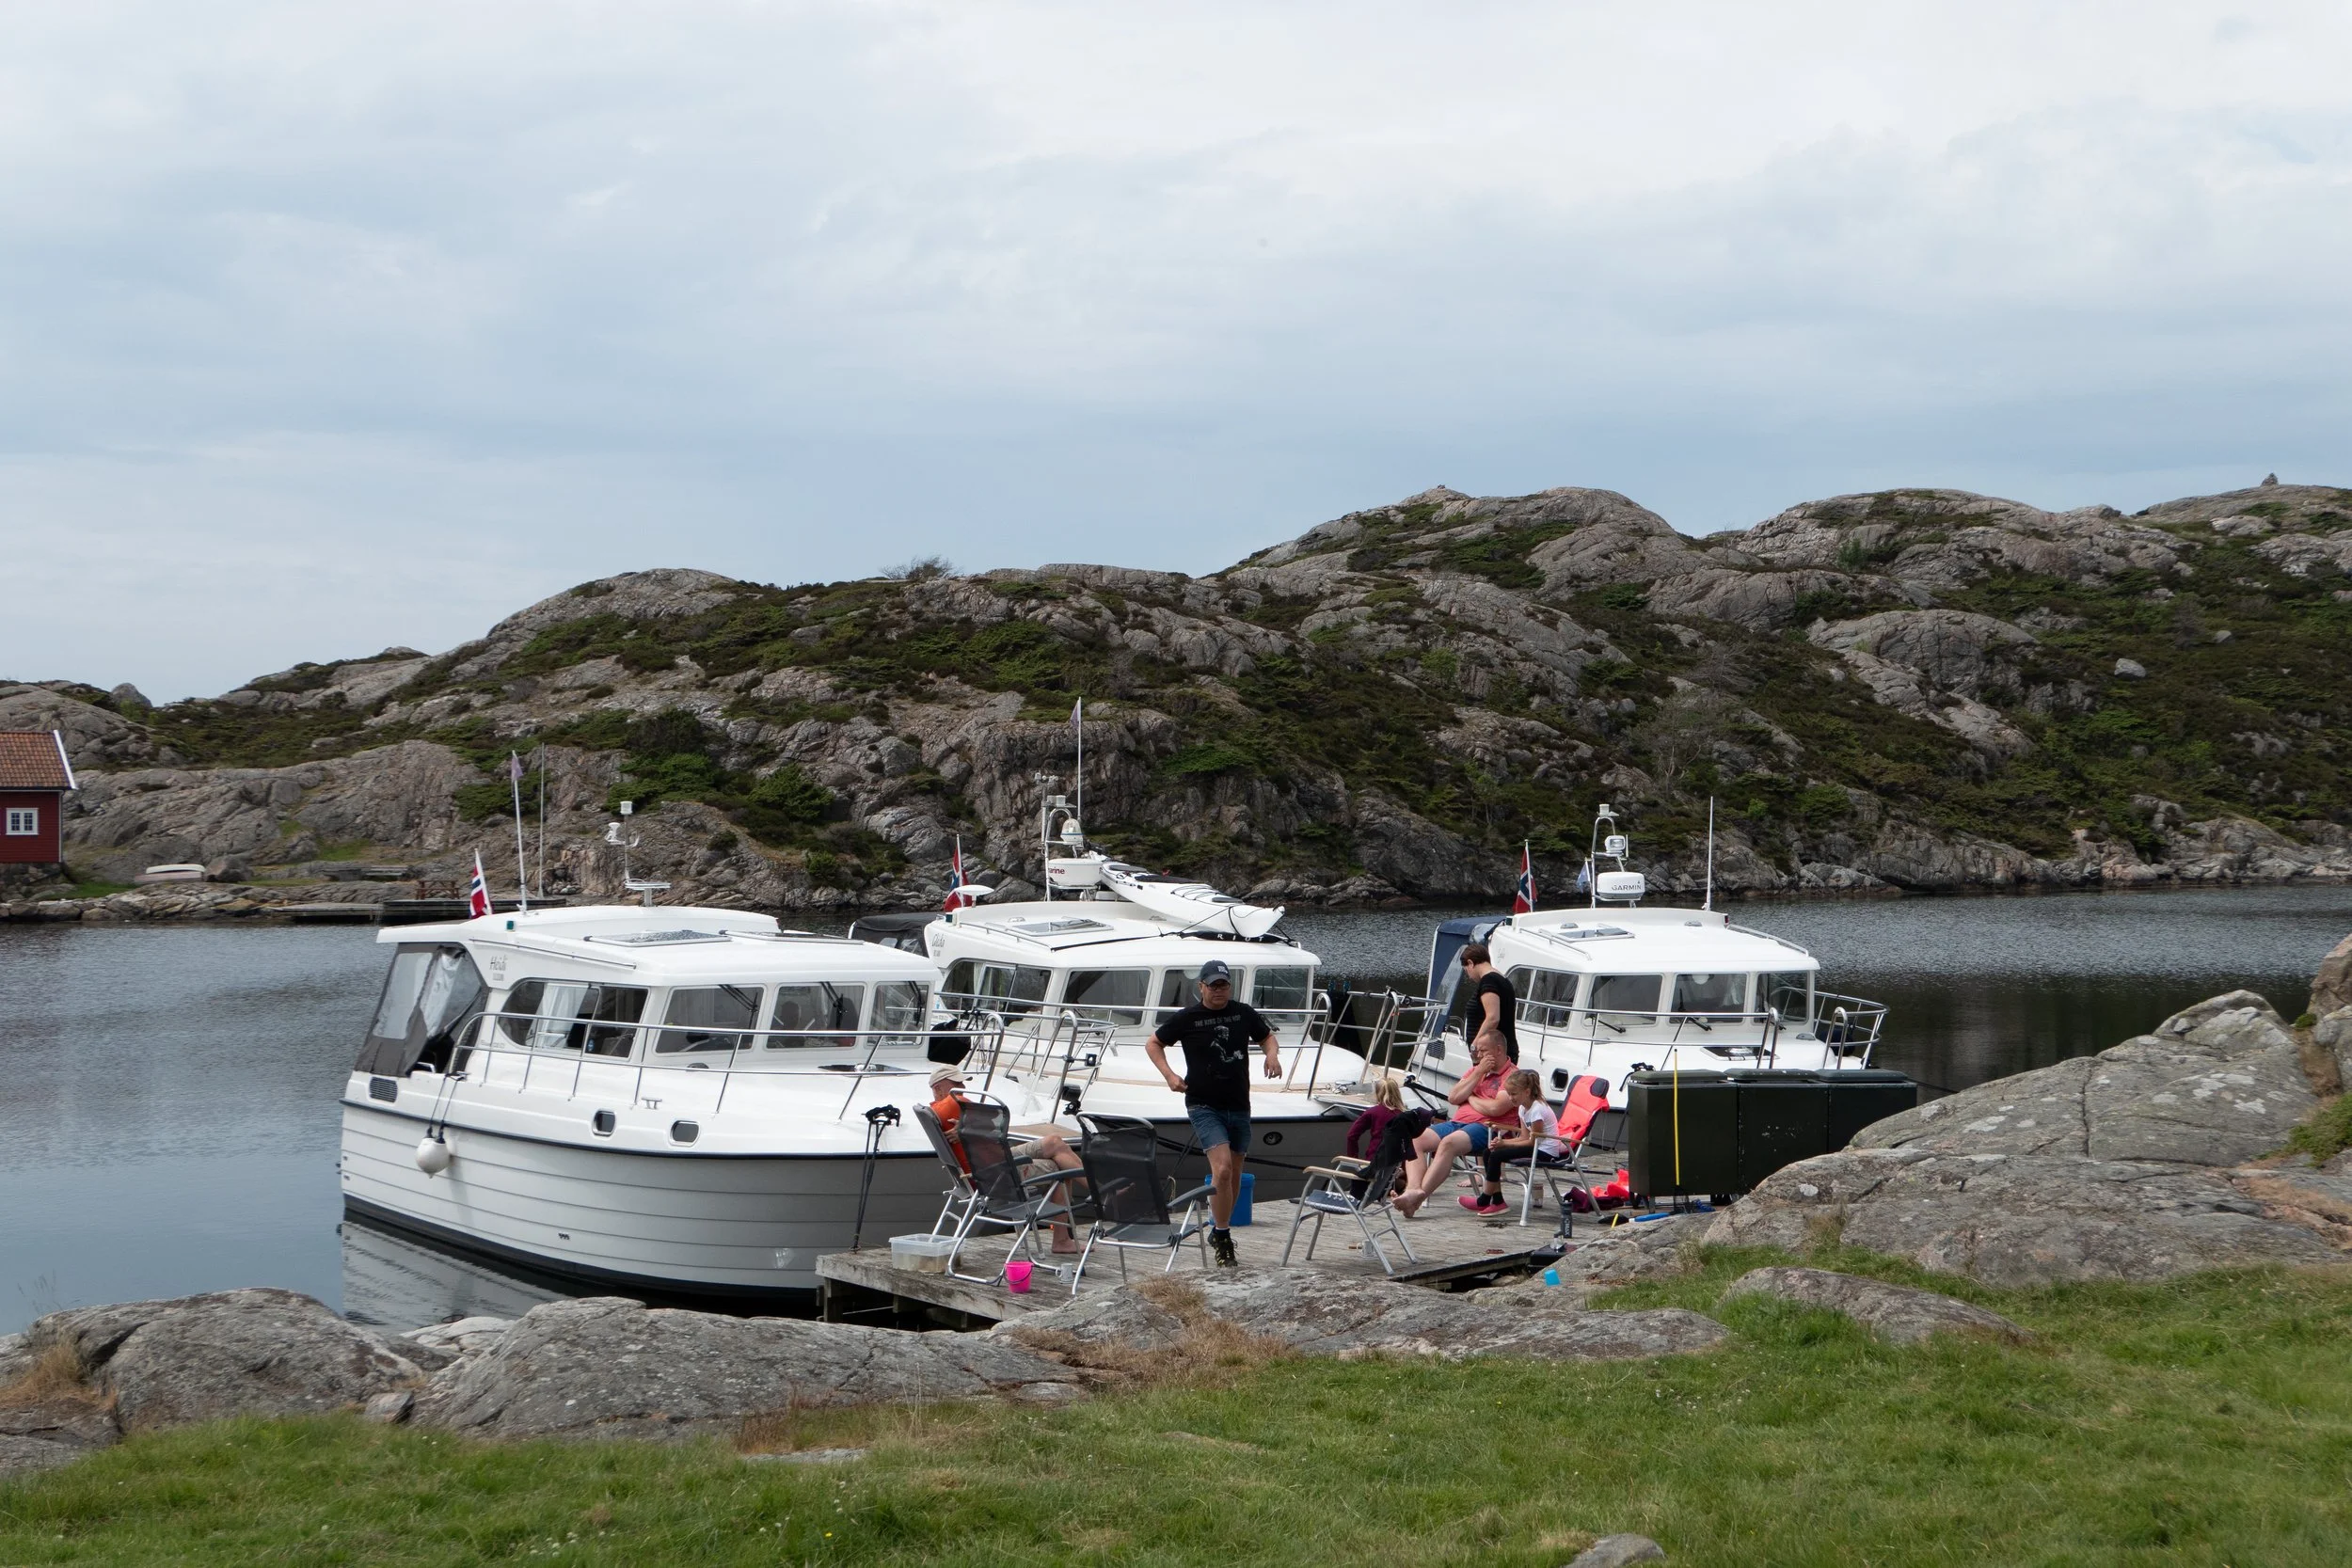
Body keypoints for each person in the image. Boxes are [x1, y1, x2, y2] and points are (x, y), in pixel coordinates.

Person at [1144, 958, 1280, 1267]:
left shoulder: (1243, 1012)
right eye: (1213, 985)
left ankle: (1220, 1229)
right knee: (1222, 1169)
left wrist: (1271, 1055)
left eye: (1224, 985)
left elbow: (1267, 1037)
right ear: (1201, 987)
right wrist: (1169, 1075)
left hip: (1239, 1104)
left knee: (1234, 1172)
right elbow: (1153, 1043)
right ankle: (1223, 1235)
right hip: (1203, 1104)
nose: (1219, 990)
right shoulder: (1188, 1018)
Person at [927, 1064, 1086, 1254]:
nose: (963, 1087)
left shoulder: (936, 1109)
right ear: (938, 1088)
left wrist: (969, 1126)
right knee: (1060, 1168)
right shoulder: (954, 1103)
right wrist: (970, 1125)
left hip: (992, 1160)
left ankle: (1096, 1190)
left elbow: (989, 1128)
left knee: (1053, 1142)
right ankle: (1062, 1240)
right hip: (996, 1172)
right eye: (957, 1083)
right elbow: (994, 1123)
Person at [1394, 1028, 1517, 1217]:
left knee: (1448, 1143)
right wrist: (1479, 1072)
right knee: (1415, 1139)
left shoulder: (1512, 1076)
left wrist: (1471, 1097)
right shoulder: (1476, 1070)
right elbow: (1453, 1097)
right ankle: (1413, 1190)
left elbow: (1496, 1109)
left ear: (1498, 1050)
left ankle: (1416, 1200)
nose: (1478, 1055)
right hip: (1458, 1122)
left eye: (1483, 1051)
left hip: (1488, 1128)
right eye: (1477, 1051)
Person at [1460, 1069, 1562, 1215]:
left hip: (1545, 1151)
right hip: (1535, 1146)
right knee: (1488, 1152)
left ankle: (1484, 1200)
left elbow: (1532, 1142)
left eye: (1514, 1094)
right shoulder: (1522, 1108)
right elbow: (1524, 1137)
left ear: (1527, 1092)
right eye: (1508, 1094)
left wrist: (1505, 1144)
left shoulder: (1537, 1110)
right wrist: (1502, 1142)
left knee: (1496, 1155)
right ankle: (1497, 1201)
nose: (1510, 1098)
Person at [1458, 942, 1518, 1063]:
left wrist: (1475, 1045)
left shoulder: (1489, 981)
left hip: (1492, 1055)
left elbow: (1493, 1018)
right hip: (1501, 1051)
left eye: (1466, 970)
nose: (1469, 977)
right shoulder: (1503, 980)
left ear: (1470, 963)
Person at [1344, 1076, 1408, 1161]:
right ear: (1397, 1092)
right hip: (1398, 1165)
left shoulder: (1372, 1112)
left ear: (1377, 1094)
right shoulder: (1405, 1115)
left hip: (1374, 1161)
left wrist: (1353, 1159)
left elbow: (1351, 1135)